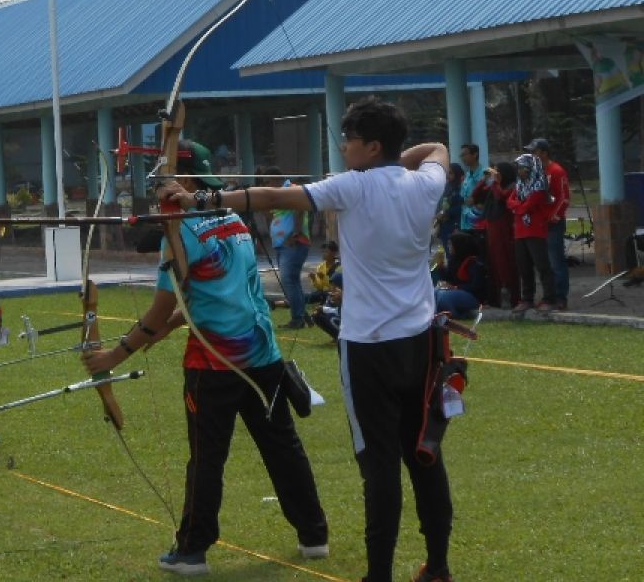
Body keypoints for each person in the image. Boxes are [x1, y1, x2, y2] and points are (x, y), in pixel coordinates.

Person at [163, 98, 456, 582]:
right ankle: (438, 567)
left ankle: (379, 574)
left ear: (373, 145)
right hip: (421, 343)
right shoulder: (425, 182)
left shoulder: (352, 186)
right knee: (424, 452)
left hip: (368, 348)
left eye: (350, 140)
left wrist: (202, 201)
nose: (342, 147)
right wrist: (393, 168)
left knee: (378, 463)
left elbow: (274, 197)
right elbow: (437, 147)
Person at [86, 139, 329, 577]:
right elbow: (214, 293)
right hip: (262, 356)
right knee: (282, 446)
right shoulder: (233, 218)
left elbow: (161, 308)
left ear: (187, 180)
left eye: (167, 178)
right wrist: (174, 326)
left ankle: (193, 551)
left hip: (214, 365)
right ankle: (314, 535)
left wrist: (114, 357)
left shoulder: (182, 233)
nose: (161, 187)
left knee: (207, 457)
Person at [508, 154, 557, 315]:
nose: (520, 171)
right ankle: (527, 298)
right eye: (519, 168)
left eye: (522, 168)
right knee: (524, 267)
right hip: (520, 231)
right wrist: (519, 206)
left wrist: (519, 206)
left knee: (542, 266)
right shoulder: (519, 185)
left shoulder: (539, 186)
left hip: (535, 230)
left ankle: (549, 298)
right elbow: (510, 202)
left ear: (530, 168)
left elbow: (527, 206)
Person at [264, 166, 312, 329]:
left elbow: (300, 210)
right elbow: (270, 214)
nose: (267, 184)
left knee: (288, 280)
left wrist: (295, 234)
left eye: (269, 181)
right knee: (292, 281)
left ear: (277, 179)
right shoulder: (274, 195)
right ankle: (300, 314)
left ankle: (297, 318)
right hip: (282, 243)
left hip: (294, 242)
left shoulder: (291, 190)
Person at [527, 138, 571, 309]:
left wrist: (554, 216)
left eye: (535, 151)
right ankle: (548, 296)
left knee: (556, 262)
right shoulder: (534, 172)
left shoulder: (556, 171)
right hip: (538, 224)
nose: (532, 155)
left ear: (544, 153)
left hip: (552, 224)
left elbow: (564, 197)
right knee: (543, 263)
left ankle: (560, 297)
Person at [478, 162, 521, 309]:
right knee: (494, 265)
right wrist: (484, 180)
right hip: (492, 229)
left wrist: (495, 183)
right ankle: (495, 298)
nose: (495, 175)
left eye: (498, 172)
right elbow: (475, 196)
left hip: (504, 231)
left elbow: (500, 197)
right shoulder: (494, 187)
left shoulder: (511, 187)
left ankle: (514, 298)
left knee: (507, 264)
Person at [434, 231, 484, 320]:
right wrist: (440, 267)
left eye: (450, 245)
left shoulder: (474, 263)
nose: (448, 247)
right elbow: (448, 278)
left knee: (443, 296)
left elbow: (476, 286)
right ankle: (435, 316)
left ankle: (454, 316)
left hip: (472, 297)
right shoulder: (454, 261)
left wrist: (455, 287)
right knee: (435, 292)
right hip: (456, 293)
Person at [434, 164, 464, 263]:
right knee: (448, 252)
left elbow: (462, 207)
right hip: (445, 224)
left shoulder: (461, 188)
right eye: (447, 173)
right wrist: (440, 215)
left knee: (458, 254)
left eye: (451, 173)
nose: (448, 176)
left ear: (457, 174)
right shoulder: (447, 187)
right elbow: (442, 204)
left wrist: (446, 213)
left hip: (456, 224)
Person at [458, 144, 486, 233]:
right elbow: (463, 195)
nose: (462, 158)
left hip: (479, 220)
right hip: (466, 220)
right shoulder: (467, 175)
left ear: (475, 154)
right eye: (461, 155)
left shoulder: (485, 174)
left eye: (465, 154)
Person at [306, 240, 340, 306]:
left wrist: (323, 278)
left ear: (334, 253)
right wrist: (314, 279)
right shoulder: (321, 266)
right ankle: (285, 302)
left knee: (324, 296)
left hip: (334, 293)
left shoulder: (339, 266)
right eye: (322, 252)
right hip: (322, 293)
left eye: (326, 252)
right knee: (307, 297)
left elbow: (335, 286)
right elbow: (320, 287)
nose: (323, 254)